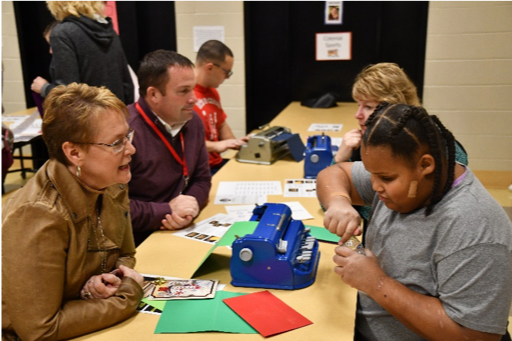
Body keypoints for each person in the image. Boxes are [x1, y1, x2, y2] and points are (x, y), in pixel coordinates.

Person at [316, 103, 512, 340]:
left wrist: (377, 284)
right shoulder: (403, 181)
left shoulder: (476, 228)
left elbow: (474, 335)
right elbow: (334, 173)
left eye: (386, 178)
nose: (375, 186)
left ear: (426, 165)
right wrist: (338, 201)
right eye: (371, 175)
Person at [1, 83, 144, 340]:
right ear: (74, 152)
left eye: (127, 136)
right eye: (116, 143)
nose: (131, 149)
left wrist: (107, 280)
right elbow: (40, 330)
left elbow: (126, 255)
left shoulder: (110, 183)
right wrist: (127, 294)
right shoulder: (37, 215)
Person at [127, 50, 212, 246]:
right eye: (183, 91)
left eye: (193, 89)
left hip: (181, 228)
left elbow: (202, 179)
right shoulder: (123, 132)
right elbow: (109, 208)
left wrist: (191, 205)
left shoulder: (193, 122)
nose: (194, 99)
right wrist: (166, 211)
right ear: (154, 94)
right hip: (137, 242)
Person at [30, 0, 133, 104]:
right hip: (116, 114)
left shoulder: (63, 33)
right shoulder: (109, 31)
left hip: (87, 117)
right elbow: (127, 86)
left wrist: (44, 88)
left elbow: (68, 94)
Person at [194, 40, 249, 174]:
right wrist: (216, 146)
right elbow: (181, 141)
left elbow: (221, 124)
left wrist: (234, 142)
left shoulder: (212, 92)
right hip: (197, 171)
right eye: (226, 72)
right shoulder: (185, 95)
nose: (227, 77)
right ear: (210, 68)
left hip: (216, 164)